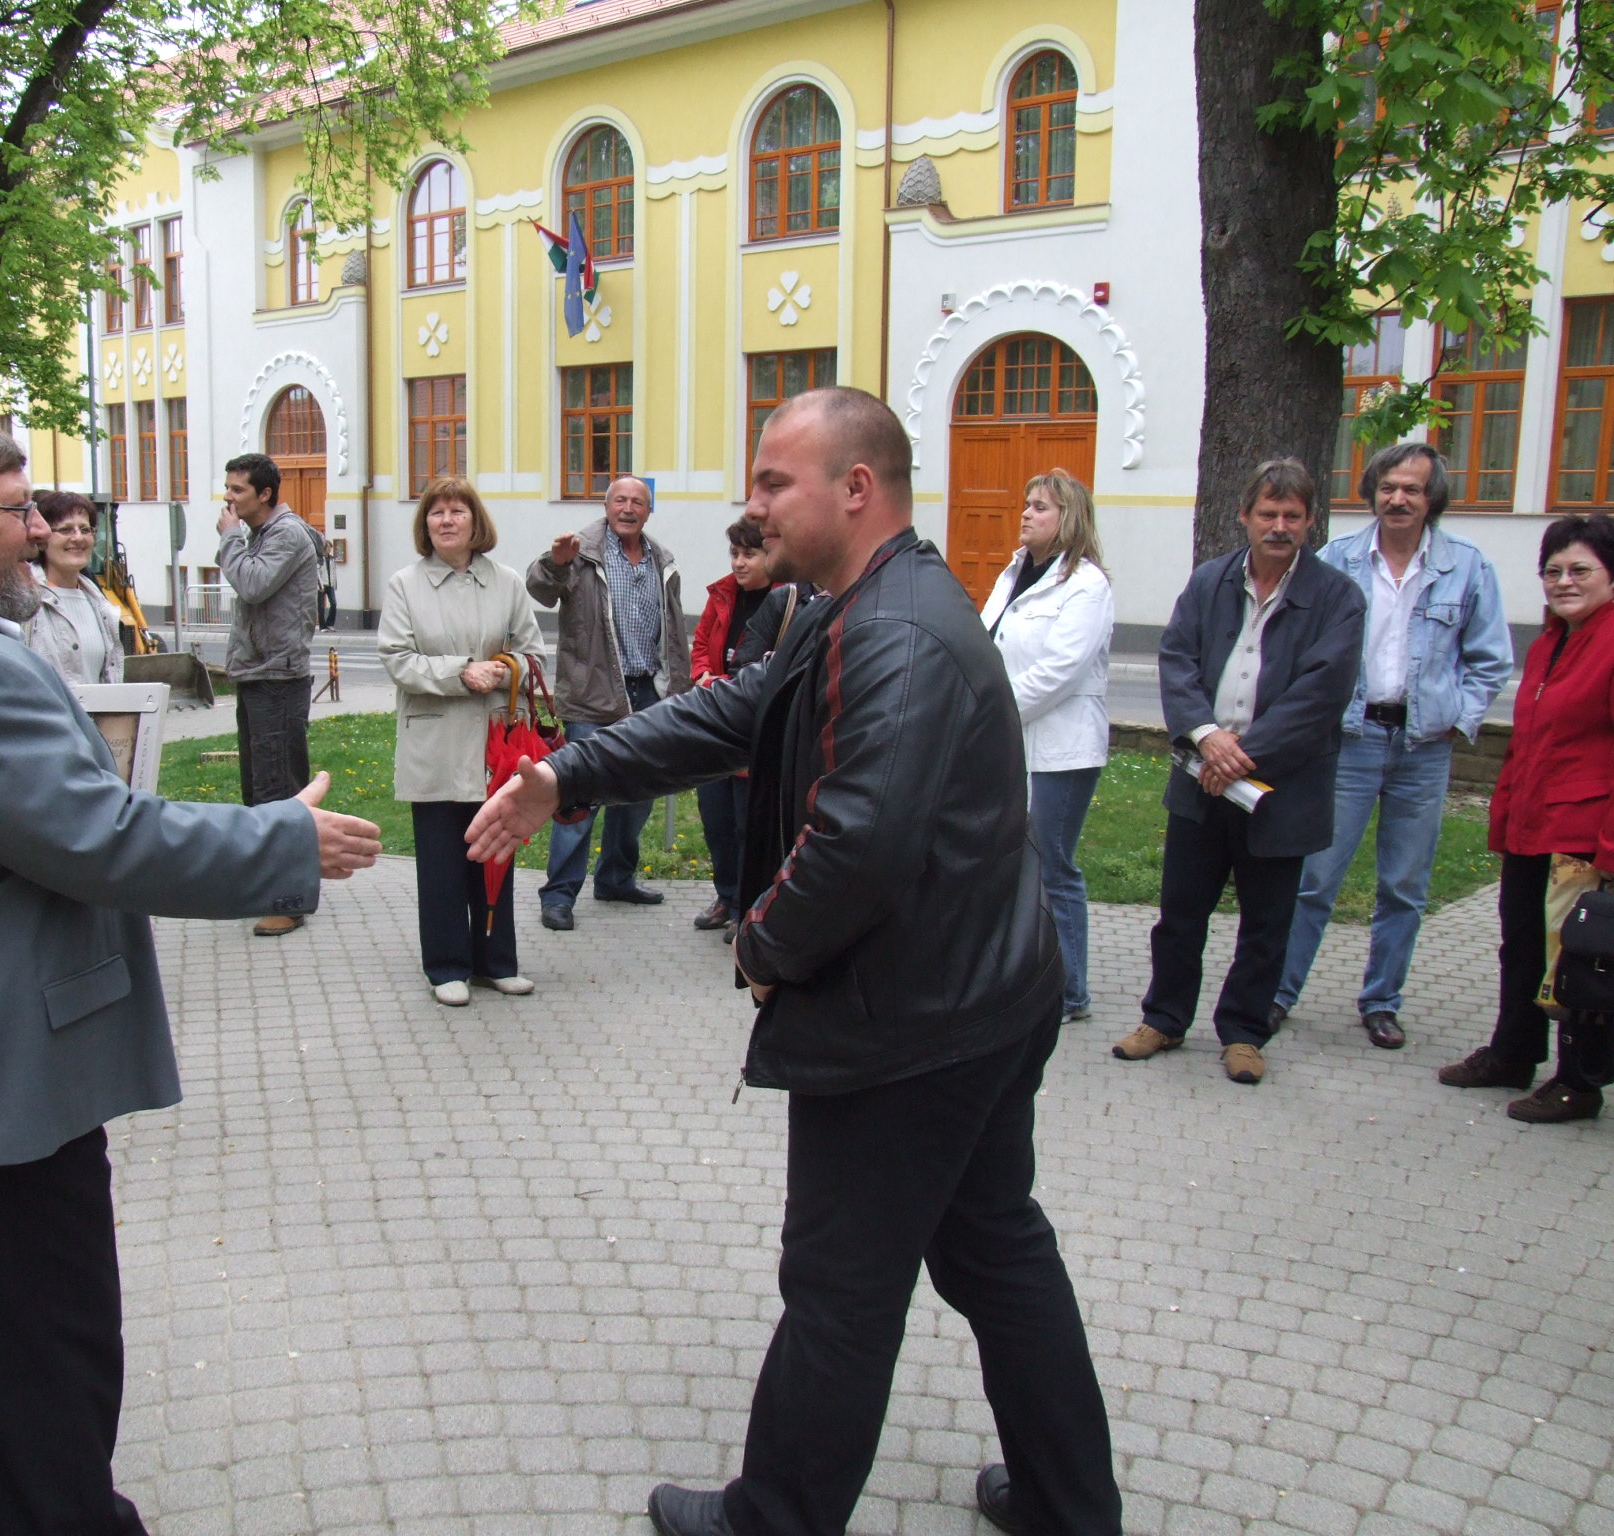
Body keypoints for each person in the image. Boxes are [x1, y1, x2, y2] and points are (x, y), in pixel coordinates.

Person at [470, 388, 1121, 1536]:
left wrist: (763, 948)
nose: (753, 503)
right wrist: (569, 773)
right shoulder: (851, 605)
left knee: (840, 1288)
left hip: (910, 1030)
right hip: (971, 999)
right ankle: (1069, 1506)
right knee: (992, 1248)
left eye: (775, 481)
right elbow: (734, 713)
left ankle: (773, 1517)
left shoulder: (895, 630)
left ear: (855, 488)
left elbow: (858, 842)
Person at [0, 412, 381, 1536]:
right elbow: (102, 840)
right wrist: (282, 841)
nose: (40, 530)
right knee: (42, 1392)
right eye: (15, 510)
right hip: (2, 1093)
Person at [1116, 459, 1365, 1086]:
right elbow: (1177, 658)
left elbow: (1322, 693)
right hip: (1201, 779)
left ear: (1309, 521)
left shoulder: (1338, 598)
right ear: (1245, 516)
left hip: (1281, 788)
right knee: (1180, 912)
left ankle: (1245, 1033)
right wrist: (1207, 738)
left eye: (1292, 516)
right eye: (1268, 514)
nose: (1279, 526)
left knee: (1267, 923)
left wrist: (1240, 759)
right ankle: (1164, 1018)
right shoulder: (1210, 581)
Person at [1273, 444, 1512, 1050]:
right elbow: (1300, 643)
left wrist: (1458, 719)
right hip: (1349, 741)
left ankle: (1381, 1001)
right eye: (1387, 487)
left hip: (1422, 747)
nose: (1397, 499)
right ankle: (1277, 994)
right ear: (1372, 492)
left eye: (1412, 489)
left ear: (1433, 499)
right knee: (1314, 879)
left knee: (1404, 886)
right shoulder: (1337, 559)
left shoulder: (1467, 566)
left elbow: (1490, 660)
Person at [1439, 513, 1614, 1123]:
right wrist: (1505, 818)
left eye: (1580, 570)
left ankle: (1579, 1082)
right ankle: (1513, 1053)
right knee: (1521, 947)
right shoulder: (1547, 645)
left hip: (1584, 836)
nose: (1564, 581)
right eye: (1553, 570)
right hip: (1532, 828)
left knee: (1579, 960)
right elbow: (1528, 742)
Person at [379, 478, 546, 1006]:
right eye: (437, 512)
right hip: (434, 744)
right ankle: (447, 966)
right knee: (441, 863)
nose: (447, 520)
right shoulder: (405, 585)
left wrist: (503, 669)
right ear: (425, 524)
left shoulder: (507, 582)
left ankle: (496, 963)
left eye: (457, 511)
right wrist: (460, 672)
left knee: (495, 854)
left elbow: (534, 655)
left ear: (476, 522)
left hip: (496, 745)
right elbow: (397, 659)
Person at [525, 474, 689, 930]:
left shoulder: (661, 560)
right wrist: (555, 564)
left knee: (637, 795)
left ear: (649, 510)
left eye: (638, 501)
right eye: (620, 500)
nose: (628, 508)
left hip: (648, 692)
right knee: (579, 798)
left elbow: (674, 632)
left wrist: (678, 689)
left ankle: (616, 878)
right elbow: (539, 589)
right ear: (606, 506)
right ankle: (559, 895)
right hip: (592, 694)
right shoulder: (581, 553)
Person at [979, 469, 1114, 1024]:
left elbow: (1059, 670)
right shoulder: (1014, 573)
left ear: (1069, 517)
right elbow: (986, 642)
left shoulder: (1087, 585)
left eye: (1040, 507)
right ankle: (1019, 975)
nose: (1027, 513)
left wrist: (994, 712)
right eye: (1027, 504)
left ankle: (1070, 990)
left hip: (1063, 750)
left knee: (1053, 868)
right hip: (1012, 744)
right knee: (1011, 864)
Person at [218, 451, 327, 936]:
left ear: (264, 493)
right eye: (228, 487)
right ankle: (268, 885)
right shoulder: (261, 534)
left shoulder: (284, 534)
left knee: (278, 792)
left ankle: (289, 900)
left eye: (238, 489)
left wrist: (228, 539)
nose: (228, 497)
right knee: (259, 789)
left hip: (278, 679)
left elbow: (253, 584)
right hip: (258, 674)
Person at [689, 518, 778, 933]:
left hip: (755, 731)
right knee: (717, 821)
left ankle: (749, 907)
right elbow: (700, 643)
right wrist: (703, 675)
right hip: (715, 726)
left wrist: (725, 686)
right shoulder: (722, 594)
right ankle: (725, 897)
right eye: (735, 554)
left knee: (750, 826)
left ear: (769, 555)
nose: (739, 563)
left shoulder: (786, 601)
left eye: (749, 554)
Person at [24, 491, 126, 688]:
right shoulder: (25, 602)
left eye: (85, 529)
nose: (78, 538)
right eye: (66, 530)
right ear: (42, 539)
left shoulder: (99, 605)